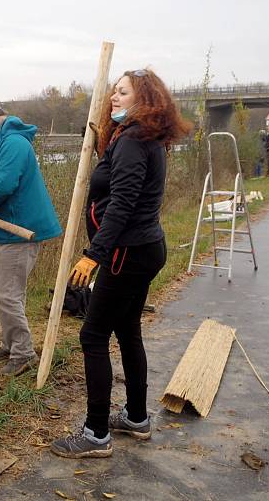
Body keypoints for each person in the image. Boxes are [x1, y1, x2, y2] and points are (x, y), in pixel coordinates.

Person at [50, 68, 190, 459]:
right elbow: (121, 185)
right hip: (147, 247)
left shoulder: (132, 140)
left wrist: (94, 254)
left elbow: (122, 204)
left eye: (123, 92)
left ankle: (95, 435)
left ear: (143, 99)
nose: (114, 97)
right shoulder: (147, 138)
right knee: (128, 329)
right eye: (113, 91)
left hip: (125, 252)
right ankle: (137, 418)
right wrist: (103, 149)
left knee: (93, 336)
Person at [0, 103, 62, 376]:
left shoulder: (14, 143)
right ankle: (10, 345)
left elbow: (5, 183)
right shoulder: (9, 142)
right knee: (8, 291)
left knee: (5, 293)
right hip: (13, 229)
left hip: (21, 231)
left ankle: (23, 353)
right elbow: (4, 185)